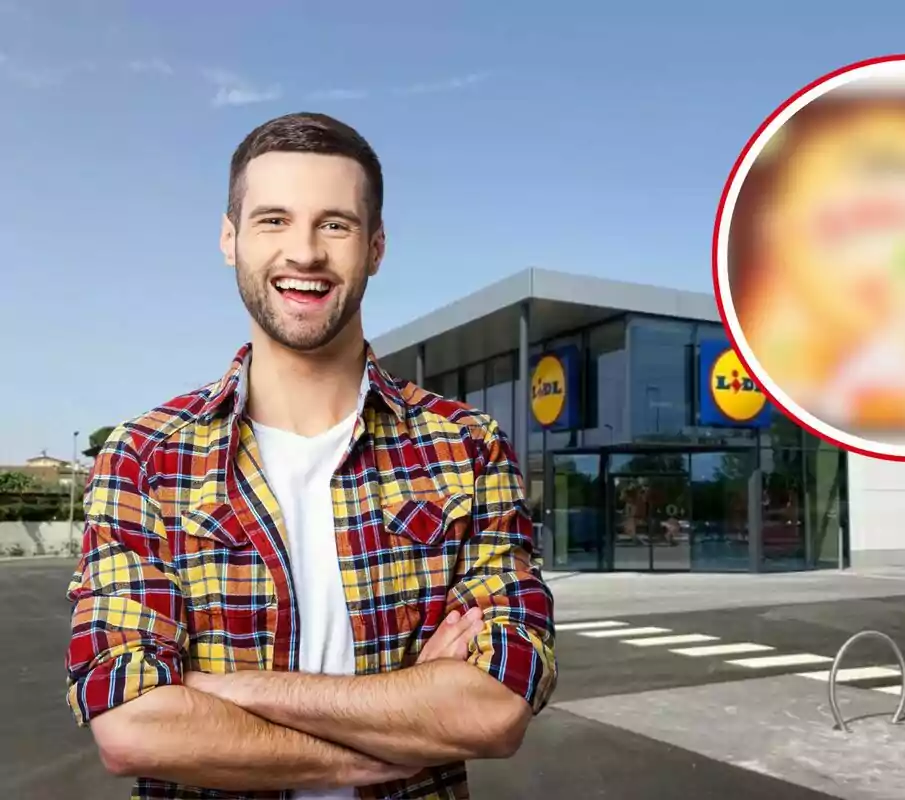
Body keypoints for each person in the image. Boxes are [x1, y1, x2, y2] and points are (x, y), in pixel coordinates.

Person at [64, 111, 557, 800]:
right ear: (229, 239)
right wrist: (383, 736)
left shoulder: (465, 447)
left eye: (335, 224)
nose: (305, 253)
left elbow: (495, 708)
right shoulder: (145, 457)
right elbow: (132, 725)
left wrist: (223, 691)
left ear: (376, 247)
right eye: (272, 221)